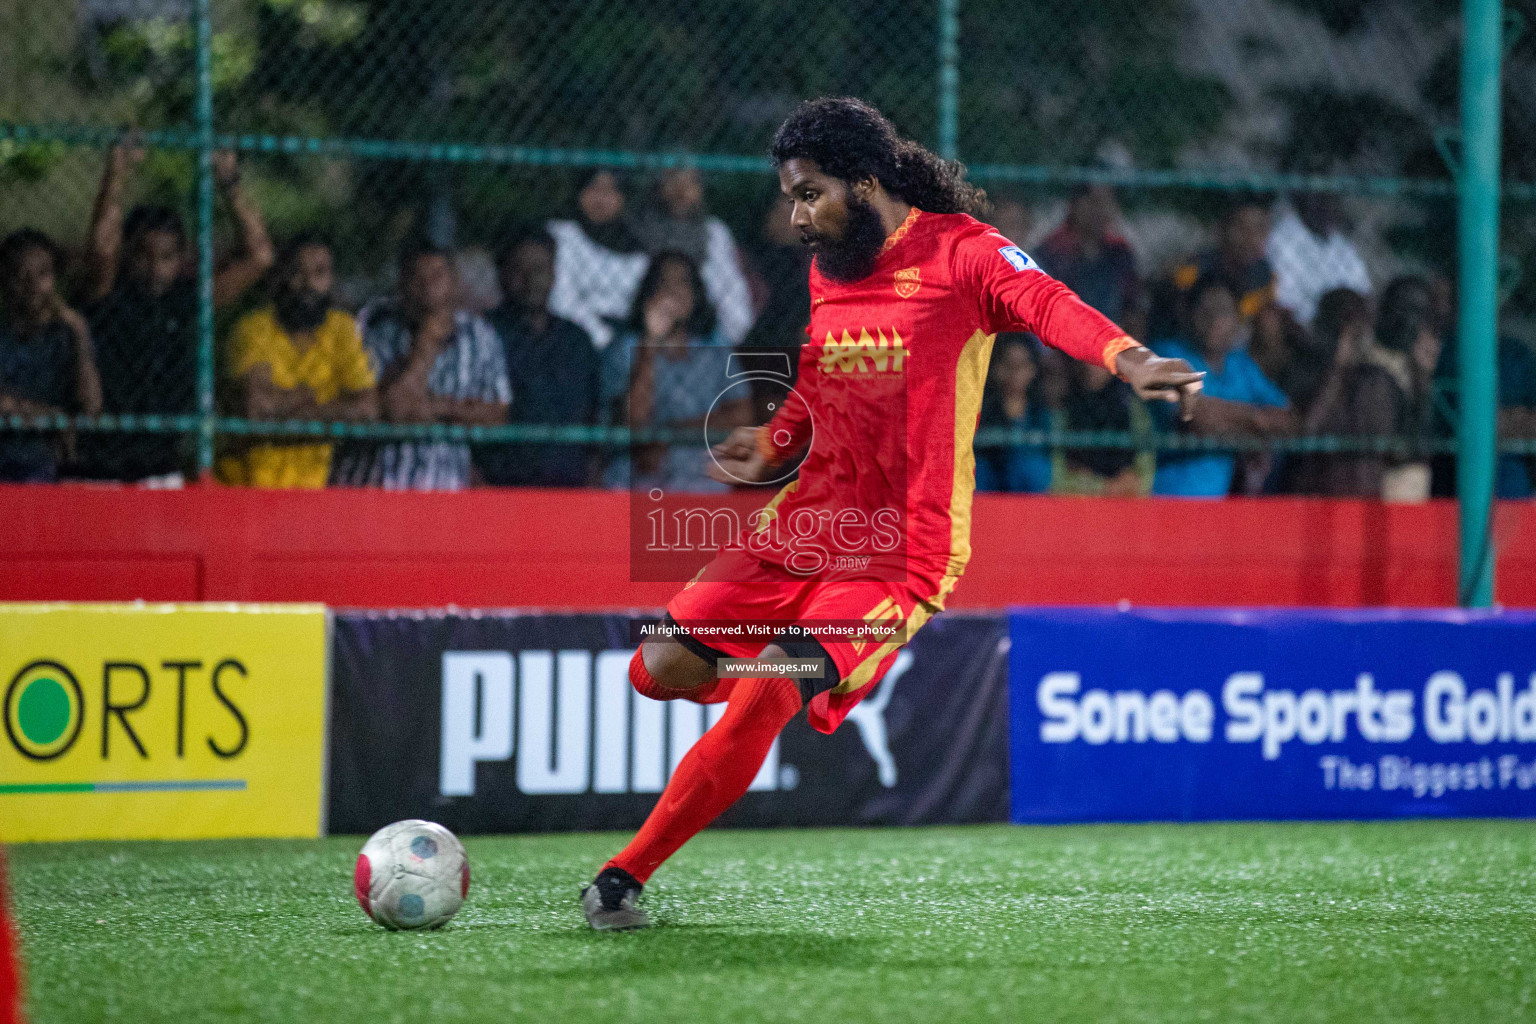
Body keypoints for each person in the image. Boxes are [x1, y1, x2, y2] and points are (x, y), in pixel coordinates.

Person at [579, 97, 1201, 930]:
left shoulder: (964, 254)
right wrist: (777, 437)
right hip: (804, 523)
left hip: (901, 551)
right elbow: (820, 367)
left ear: (865, 183)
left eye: (809, 195)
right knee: (656, 670)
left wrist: (1129, 360)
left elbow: (1052, 305)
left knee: (775, 682)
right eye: (792, 198)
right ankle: (779, 673)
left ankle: (624, 875)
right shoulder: (831, 260)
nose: (797, 217)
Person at [78, 145, 273, 483]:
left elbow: (259, 256)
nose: (155, 267)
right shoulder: (108, 293)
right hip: (99, 462)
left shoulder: (186, 299)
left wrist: (230, 182)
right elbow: (100, 246)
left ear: (181, 258)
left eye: (167, 257)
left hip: (161, 462)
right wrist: (116, 173)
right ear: (127, 254)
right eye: (143, 255)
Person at [331, 244, 510, 491]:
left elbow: (497, 414)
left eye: (437, 275)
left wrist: (437, 407)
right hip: (376, 489)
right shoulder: (374, 328)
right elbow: (395, 409)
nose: (428, 287)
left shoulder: (479, 334)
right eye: (417, 278)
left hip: (443, 491)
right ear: (401, 285)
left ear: (454, 281)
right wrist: (426, 344)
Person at [217, 235, 378, 488]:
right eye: (297, 273)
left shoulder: (342, 330)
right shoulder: (253, 328)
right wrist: (324, 405)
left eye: (319, 273)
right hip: (246, 488)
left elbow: (366, 410)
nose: (309, 284)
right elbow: (255, 410)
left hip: (313, 490)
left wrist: (284, 411)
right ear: (280, 277)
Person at [599, 251, 752, 493]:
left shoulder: (716, 350)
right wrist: (650, 343)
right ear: (649, 294)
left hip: (703, 485)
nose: (673, 291)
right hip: (638, 486)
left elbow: (741, 417)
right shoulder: (625, 348)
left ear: (696, 293)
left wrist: (668, 435)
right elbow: (633, 423)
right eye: (664, 283)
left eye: (682, 282)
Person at [477, 227, 601, 487]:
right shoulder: (481, 335)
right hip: (501, 488)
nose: (532, 279)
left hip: (569, 488)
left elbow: (594, 418)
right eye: (520, 269)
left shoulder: (576, 341)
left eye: (540, 269)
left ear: (554, 274)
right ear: (501, 275)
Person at [1150, 276, 1295, 497]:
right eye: (1205, 311)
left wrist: (1224, 418)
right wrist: (1256, 421)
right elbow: (1196, 419)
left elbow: (1288, 420)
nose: (1214, 320)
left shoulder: (1240, 364)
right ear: (1188, 315)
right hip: (1171, 496)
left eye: (1223, 311)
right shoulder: (1166, 353)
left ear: (1237, 320)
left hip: (1227, 502)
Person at [1313, 276, 1442, 501]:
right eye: (1405, 310)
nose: (1412, 322)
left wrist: (1422, 379)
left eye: (1421, 314)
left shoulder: (1410, 370)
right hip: (1369, 503)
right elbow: (1388, 451)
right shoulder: (1374, 376)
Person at [0, 229, 103, 482]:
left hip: (47, 465)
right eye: (20, 274)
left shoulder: (65, 337)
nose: (33, 285)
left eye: (43, 274)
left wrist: (78, 331)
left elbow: (91, 405)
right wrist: (48, 416)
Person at [630, 165, 756, 344]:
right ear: (658, 186)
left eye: (690, 182)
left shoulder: (714, 232)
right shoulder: (639, 228)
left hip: (705, 331)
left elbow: (734, 297)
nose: (681, 190)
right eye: (673, 179)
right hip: (646, 328)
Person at [546, 170, 650, 352]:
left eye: (611, 190)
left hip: (629, 334)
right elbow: (562, 299)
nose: (601, 198)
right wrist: (602, 337)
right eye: (593, 188)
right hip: (576, 332)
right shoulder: (562, 234)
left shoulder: (638, 246)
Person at [1033, 182, 1145, 341]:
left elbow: (1133, 305)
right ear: (1075, 204)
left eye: (1106, 202)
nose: (1100, 210)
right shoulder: (1053, 250)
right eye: (1093, 201)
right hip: (1065, 340)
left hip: (1114, 339)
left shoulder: (1119, 251)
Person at [1266, 191, 1371, 326]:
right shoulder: (1282, 238)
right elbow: (1284, 303)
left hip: (1341, 326)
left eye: (1332, 199)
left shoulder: (1340, 243)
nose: (1329, 206)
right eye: (1321, 199)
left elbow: (1362, 292)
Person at [974, 335, 1052, 493]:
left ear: (1033, 370)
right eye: (1008, 364)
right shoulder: (979, 414)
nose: (1014, 373)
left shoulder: (1043, 415)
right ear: (995, 368)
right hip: (988, 499)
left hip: (1030, 504)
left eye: (1021, 365)